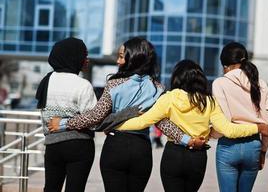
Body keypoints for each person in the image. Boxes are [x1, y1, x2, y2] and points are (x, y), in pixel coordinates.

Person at [48, 37, 203, 192]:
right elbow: (163, 123)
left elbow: (95, 116)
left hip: (115, 147)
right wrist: (188, 140)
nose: (118, 61)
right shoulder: (158, 89)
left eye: (122, 56)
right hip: (141, 150)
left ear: (133, 58)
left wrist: (62, 124)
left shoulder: (114, 84)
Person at [115, 59, 268, 192]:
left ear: (177, 78)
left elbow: (142, 121)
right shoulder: (209, 102)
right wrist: (257, 128)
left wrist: (114, 125)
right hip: (197, 158)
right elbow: (228, 130)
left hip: (173, 155)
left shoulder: (168, 99)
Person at [211, 42, 268, 192]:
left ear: (225, 65)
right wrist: (263, 150)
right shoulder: (260, 84)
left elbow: (223, 121)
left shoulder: (220, 83)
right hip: (253, 146)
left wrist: (210, 134)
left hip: (228, 146)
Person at [35, 37, 97, 192]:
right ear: (74, 57)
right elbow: (93, 120)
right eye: (84, 55)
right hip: (79, 145)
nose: (87, 60)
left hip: (52, 144)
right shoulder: (83, 85)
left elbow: (44, 116)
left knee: (51, 188)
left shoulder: (46, 81)